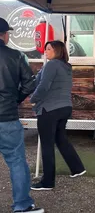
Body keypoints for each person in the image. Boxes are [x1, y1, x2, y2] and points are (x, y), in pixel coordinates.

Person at [0, 17, 44, 213]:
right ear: (4, 35)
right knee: (16, 161)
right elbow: (30, 84)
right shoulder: (15, 56)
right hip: (7, 117)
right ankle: (22, 206)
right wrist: (15, 99)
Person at [30, 41, 86, 191]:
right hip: (64, 108)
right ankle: (77, 168)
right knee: (61, 139)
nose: (45, 51)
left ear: (57, 51)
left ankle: (47, 182)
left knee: (47, 145)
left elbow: (43, 86)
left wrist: (33, 100)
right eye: (45, 49)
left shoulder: (52, 65)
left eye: (49, 49)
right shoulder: (66, 66)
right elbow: (42, 81)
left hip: (49, 109)